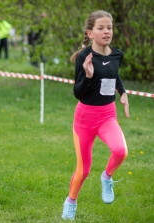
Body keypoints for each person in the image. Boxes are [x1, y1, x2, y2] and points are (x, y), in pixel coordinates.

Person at [61, 10, 129, 220]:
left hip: (108, 115)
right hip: (85, 118)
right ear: (90, 33)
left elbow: (114, 74)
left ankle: (107, 177)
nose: (106, 31)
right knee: (84, 170)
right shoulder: (84, 57)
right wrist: (88, 76)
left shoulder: (117, 54)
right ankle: (71, 201)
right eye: (101, 28)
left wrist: (123, 92)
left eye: (109, 28)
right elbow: (77, 93)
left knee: (120, 151)